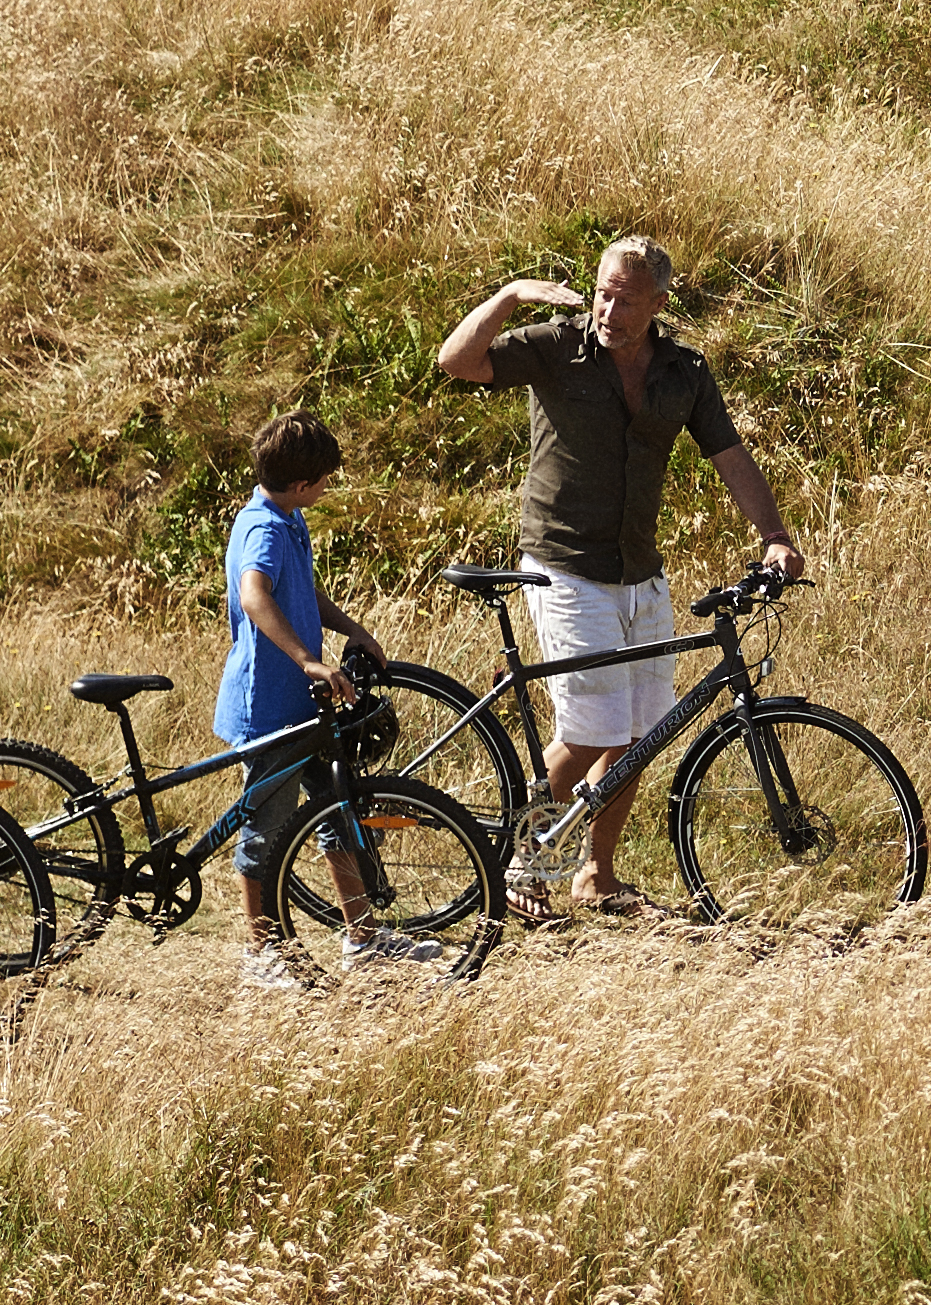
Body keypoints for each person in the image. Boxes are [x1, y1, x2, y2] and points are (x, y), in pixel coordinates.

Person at [431, 233, 799, 921]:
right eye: (602, 293)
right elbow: (456, 361)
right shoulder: (555, 346)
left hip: (638, 569)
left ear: (658, 304)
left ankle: (594, 878)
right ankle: (524, 857)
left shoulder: (683, 373)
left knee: (638, 734)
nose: (608, 309)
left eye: (626, 300)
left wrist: (775, 538)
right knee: (594, 730)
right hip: (563, 563)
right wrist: (511, 297)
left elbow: (729, 453)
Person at [217, 411, 423, 993]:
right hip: (272, 708)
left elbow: (302, 589)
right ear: (303, 484)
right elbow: (255, 595)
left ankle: (363, 936)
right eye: (325, 480)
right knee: (266, 830)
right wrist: (308, 659)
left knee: (338, 811)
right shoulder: (263, 528)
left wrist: (350, 628)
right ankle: (259, 953)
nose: (327, 487)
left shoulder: (287, 517)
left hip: (307, 708)